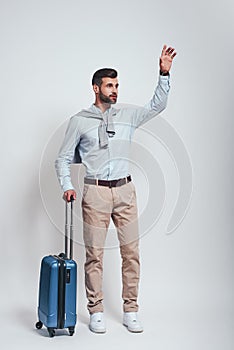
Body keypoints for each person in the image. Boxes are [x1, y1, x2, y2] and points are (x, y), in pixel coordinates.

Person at [55, 45, 176, 333]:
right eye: (109, 85)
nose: (115, 90)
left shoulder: (128, 115)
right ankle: (95, 309)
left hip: (124, 191)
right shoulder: (79, 120)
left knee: (131, 252)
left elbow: (156, 106)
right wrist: (68, 186)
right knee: (95, 253)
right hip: (95, 192)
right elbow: (61, 158)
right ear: (96, 88)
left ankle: (130, 309)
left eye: (117, 85)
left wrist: (163, 73)